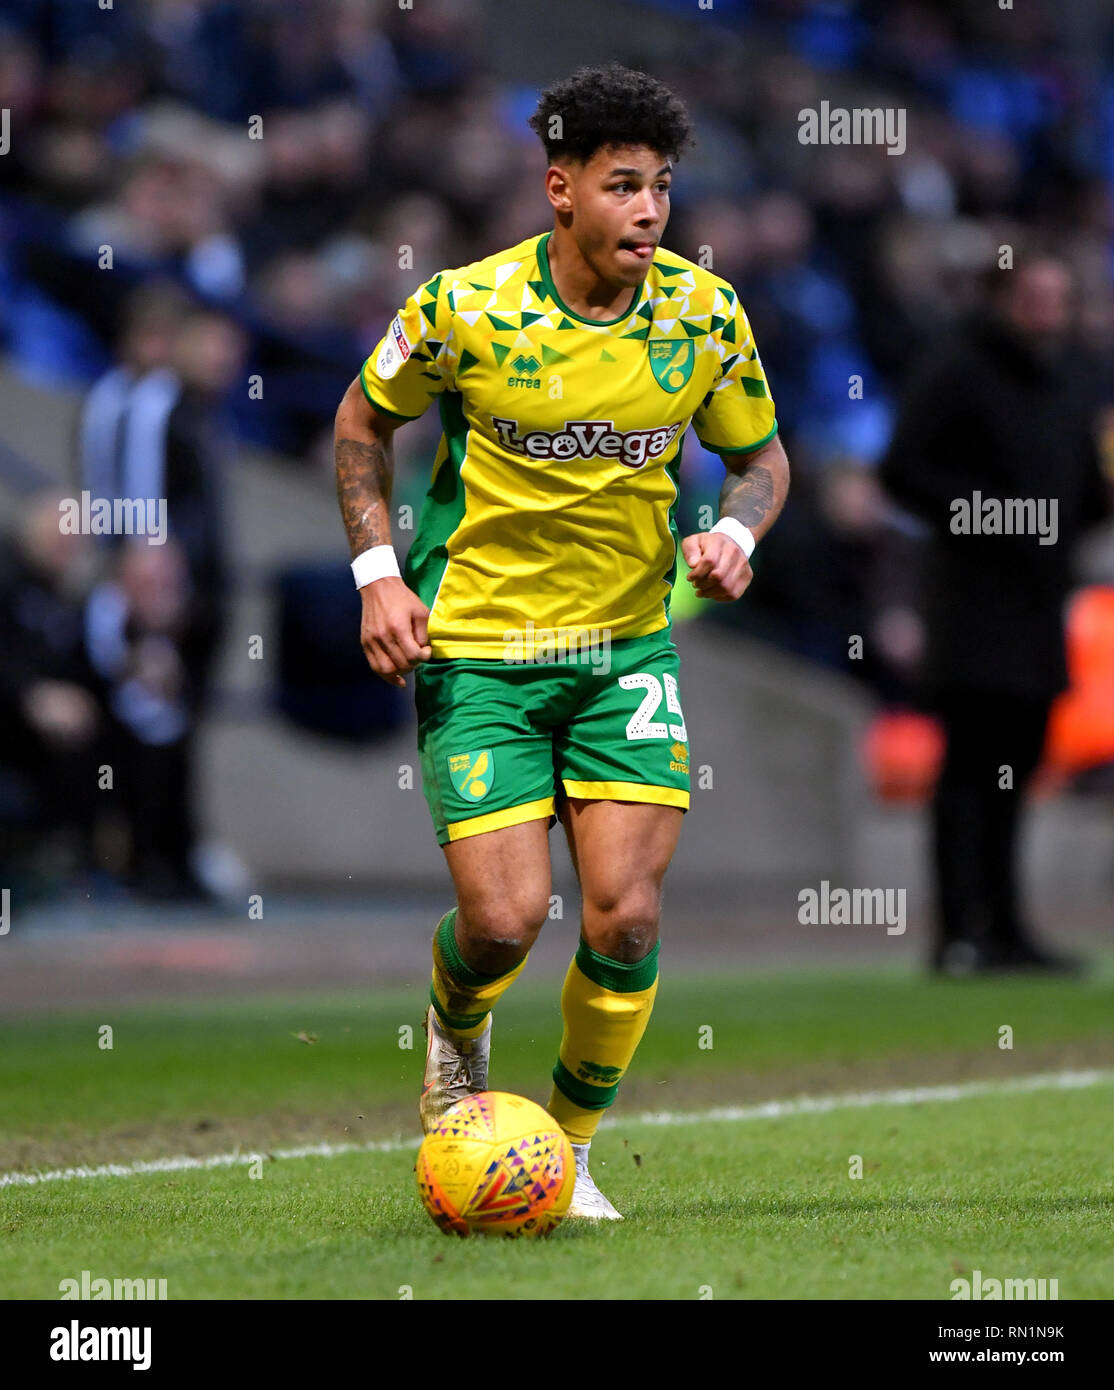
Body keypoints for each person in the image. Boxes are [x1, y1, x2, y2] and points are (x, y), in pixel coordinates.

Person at [334, 64, 789, 1218]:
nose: (648, 211)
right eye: (623, 185)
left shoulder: (703, 315)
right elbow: (359, 424)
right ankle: (457, 1022)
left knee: (625, 913)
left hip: (625, 651)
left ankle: (569, 1148)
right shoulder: (462, 310)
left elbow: (762, 460)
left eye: (663, 188)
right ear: (560, 189)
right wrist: (378, 575)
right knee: (500, 922)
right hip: (479, 646)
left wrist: (736, 532)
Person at [880, 257, 1111, 976]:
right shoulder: (957, 370)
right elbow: (903, 473)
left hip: (1041, 606)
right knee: (970, 769)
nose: (1047, 312)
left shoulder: (1070, 376)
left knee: (1021, 762)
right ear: (1003, 297)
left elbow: (1083, 485)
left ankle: (1006, 928)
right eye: (1035, 297)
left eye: (1057, 298)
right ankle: (957, 934)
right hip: (974, 606)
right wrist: (992, 516)